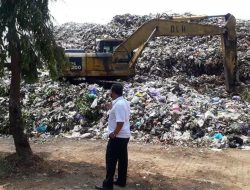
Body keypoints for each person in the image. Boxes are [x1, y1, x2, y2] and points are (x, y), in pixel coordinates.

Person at [95, 83, 131, 190]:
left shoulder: (119, 104)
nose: (110, 93)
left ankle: (107, 185)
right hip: (124, 136)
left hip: (117, 137)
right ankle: (121, 180)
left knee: (110, 160)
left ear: (113, 92)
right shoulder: (124, 102)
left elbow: (120, 122)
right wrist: (111, 107)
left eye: (111, 91)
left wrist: (114, 134)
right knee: (122, 159)